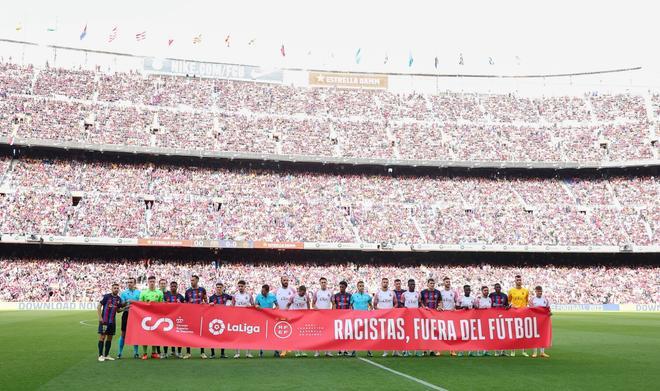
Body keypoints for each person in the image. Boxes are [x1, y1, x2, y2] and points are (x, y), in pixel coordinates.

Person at [138, 276, 164, 360]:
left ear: (155, 282)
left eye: (153, 281)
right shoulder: (143, 293)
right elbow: (140, 305)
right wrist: (147, 304)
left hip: (156, 317)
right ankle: (145, 353)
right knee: (145, 335)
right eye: (150, 281)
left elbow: (161, 305)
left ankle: (154, 352)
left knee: (155, 335)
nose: (152, 283)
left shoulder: (159, 292)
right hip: (145, 317)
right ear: (148, 282)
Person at [97, 283, 124, 362]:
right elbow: (99, 306)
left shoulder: (119, 299)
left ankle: (106, 355)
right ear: (112, 289)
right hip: (104, 321)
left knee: (110, 338)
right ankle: (100, 355)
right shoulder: (106, 296)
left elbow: (118, 310)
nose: (116, 289)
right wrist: (100, 317)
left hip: (112, 322)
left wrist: (125, 308)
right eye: (114, 288)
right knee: (102, 337)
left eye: (117, 288)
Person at [183, 275, 207, 359]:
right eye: (191, 280)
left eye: (193, 280)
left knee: (200, 333)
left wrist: (204, 304)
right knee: (188, 333)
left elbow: (206, 301)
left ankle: (202, 352)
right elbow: (185, 303)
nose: (191, 282)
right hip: (190, 315)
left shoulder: (202, 290)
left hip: (200, 315)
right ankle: (188, 352)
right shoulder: (187, 291)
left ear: (197, 280)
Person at [373, 277, 397, 357]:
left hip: (391, 316)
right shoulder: (378, 293)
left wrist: (393, 309)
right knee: (385, 333)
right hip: (382, 317)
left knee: (393, 332)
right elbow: (374, 305)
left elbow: (396, 303)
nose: (385, 283)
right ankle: (385, 351)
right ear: (381, 283)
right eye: (384, 282)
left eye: (386, 282)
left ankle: (395, 351)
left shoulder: (392, 293)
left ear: (388, 283)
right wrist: (380, 311)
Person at [209, 282, 233, 359]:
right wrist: (210, 304)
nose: (219, 288)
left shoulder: (226, 296)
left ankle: (222, 353)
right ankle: (212, 353)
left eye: (220, 287)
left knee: (223, 335)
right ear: (215, 288)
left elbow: (233, 300)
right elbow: (208, 307)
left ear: (222, 288)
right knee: (213, 335)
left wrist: (231, 305)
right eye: (217, 287)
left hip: (223, 318)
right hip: (214, 318)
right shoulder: (212, 297)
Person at [117, 277, 140, 359]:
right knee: (123, 333)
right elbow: (121, 304)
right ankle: (119, 352)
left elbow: (141, 303)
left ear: (134, 283)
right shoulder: (123, 293)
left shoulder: (139, 292)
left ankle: (136, 352)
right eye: (128, 282)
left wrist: (134, 302)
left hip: (136, 315)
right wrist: (127, 302)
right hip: (126, 314)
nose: (129, 283)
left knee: (135, 333)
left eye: (131, 282)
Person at [508, 275, 530, 357]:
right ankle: (512, 351)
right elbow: (509, 301)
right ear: (515, 281)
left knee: (523, 332)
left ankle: (523, 351)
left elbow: (526, 301)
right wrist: (512, 306)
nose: (519, 281)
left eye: (520, 280)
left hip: (523, 313)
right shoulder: (511, 291)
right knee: (514, 332)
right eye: (517, 280)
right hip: (514, 313)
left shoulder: (526, 291)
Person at [349, 281, 373, 357]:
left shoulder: (367, 296)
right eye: (360, 286)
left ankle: (369, 350)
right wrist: (352, 313)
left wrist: (370, 311)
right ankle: (353, 350)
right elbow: (350, 305)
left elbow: (371, 305)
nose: (361, 287)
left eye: (362, 286)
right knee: (355, 334)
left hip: (365, 317)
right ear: (357, 286)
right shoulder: (353, 296)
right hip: (356, 318)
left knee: (366, 334)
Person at [255, 284, 278, 358]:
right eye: (261, 290)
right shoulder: (258, 296)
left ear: (267, 291)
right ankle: (261, 351)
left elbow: (277, 305)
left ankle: (276, 350)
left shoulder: (272, 296)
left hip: (271, 317)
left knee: (273, 334)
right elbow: (255, 305)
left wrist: (275, 309)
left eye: (264, 291)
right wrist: (257, 306)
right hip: (261, 317)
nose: (262, 292)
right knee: (262, 334)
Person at [233, 280, 254, 358]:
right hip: (238, 318)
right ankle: (237, 353)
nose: (240, 288)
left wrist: (250, 307)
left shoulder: (249, 295)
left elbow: (253, 305)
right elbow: (232, 306)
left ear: (245, 286)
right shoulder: (235, 295)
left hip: (247, 318)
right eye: (239, 286)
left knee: (247, 334)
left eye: (242, 286)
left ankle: (248, 352)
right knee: (237, 335)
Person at [275, 276, 295, 357]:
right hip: (279, 314)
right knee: (282, 333)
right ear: (281, 281)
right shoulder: (276, 291)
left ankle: (288, 347)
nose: (286, 281)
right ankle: (283, 349)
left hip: (290, 314)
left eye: (287, 280)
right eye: (284, 280)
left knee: (289, 332)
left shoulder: (292, 290)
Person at [420, 278, 442, 356]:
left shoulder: (438, 292)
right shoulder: (423, 292)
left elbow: (440, 301)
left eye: (433, 283)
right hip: (425, 315)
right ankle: (425, 350)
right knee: (425, 332)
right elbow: (421, 302)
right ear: (427, 284)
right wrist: (424, 307)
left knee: (433, 332)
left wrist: (439, 307)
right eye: (431, 283)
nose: (432, 285)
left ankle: (432, 350)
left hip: (434, 315)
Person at [312, 277, 333, 357]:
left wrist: (332, 312)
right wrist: (316, 308)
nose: (324, 283)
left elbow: (333, 303)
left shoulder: (330, 292)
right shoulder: (316, 293)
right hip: (319, 316)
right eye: (322, 282)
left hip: (327, 316)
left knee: (328, 333)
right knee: (318, 333)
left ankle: (328, 351)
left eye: (325, 282)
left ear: (327, 283)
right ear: (320, 283)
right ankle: (317, 351)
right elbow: (313, 304)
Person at [163, 281, 184, 358]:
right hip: (168, 319)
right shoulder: (166, 296)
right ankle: (165, 352)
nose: (173, 288)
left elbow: (185, 307)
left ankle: (178, 352)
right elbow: (162, 306)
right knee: (167, 336)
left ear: (177, 287)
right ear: (170, 287)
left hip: (177, 319)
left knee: (178, 336)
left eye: (175, 286)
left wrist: (181, 304)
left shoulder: (181, 297)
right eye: (172, 286)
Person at [288, 285, 310, 357]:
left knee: (302, 335)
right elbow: (288, 304)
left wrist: (309, 312)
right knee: (296, 335)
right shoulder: (293, 296)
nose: (303, 294)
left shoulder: (306, 296)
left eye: (304, 292)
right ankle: (297, 351)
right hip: (295, 318)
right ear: (299, 291)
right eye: (302, 292)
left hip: (303, 318)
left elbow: (308, 303)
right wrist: (286, 313)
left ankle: (303, 351)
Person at [529, 286, 551, 358]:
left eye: (540, 291)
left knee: (543, 336)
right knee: (535, 335)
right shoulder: (532, 300)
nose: (539, 292)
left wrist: (549, 313)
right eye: (538, 291)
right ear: (535, 292)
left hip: (543, 321)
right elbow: (530, 310)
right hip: (535, 320)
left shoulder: (545, 300)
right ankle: (534, 352)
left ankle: (542, 352)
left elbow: (548, 309)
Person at [401, 279, 421, 357]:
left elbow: (419, 304)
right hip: (407, 316)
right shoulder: (404, 294)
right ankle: (406, 350)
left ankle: (417, 351)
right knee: (407, 334)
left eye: (414, 284)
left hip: (416, 317)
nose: (413, 285)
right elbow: (401, 304)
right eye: (411, 284)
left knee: (416, 334)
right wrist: (405, 308)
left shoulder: (418, 294)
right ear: (408, 285)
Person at [489, 283, 509, 356]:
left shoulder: (504, 295)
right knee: (496, 335)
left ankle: (504, 351)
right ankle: (497, 351)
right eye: (496, 287)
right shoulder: (491, 295)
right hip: (494, 317)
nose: (498, 288)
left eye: (499, 287)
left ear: (500, 288)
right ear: (494, 288)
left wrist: (507, 307)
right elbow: (489, 305)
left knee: (504, 334)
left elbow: (507, 305)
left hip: (503, 317)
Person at [332, 281, 352, 356]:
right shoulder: (336, 295)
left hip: (347, 317)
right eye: (340, 287)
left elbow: (350, 306)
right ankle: (340, 350)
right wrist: (333, 314)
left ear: (345, 287)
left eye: (342, 287)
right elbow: (334, 305)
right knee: (339, 333)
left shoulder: (349, 295)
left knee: (346, 333)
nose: (341, 288)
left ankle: (346, 349)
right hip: (338, 317)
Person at [456, 285, 476, 357]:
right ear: (464, 290)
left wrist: (472, 308)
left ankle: (470, 351)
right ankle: (461, 351)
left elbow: (475, 307)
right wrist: (463, 307)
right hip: (462, 319)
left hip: (470, 319)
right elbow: (456, 307)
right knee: (462, 335)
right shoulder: (460, 298)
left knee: (470, 335)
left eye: (469, 290)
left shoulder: (473, 299)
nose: (468, 291)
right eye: (466, 290)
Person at [475, 285, 493, 357]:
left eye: (487, 290)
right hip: (480, 319)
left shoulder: (490, 299)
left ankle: (486, 350)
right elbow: (475, 308)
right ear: (482, 291)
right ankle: (478, 351)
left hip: (488, 319)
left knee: (487, 335)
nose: (486, 292)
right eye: (485, 290)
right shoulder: (479, 299)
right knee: (479, 335)